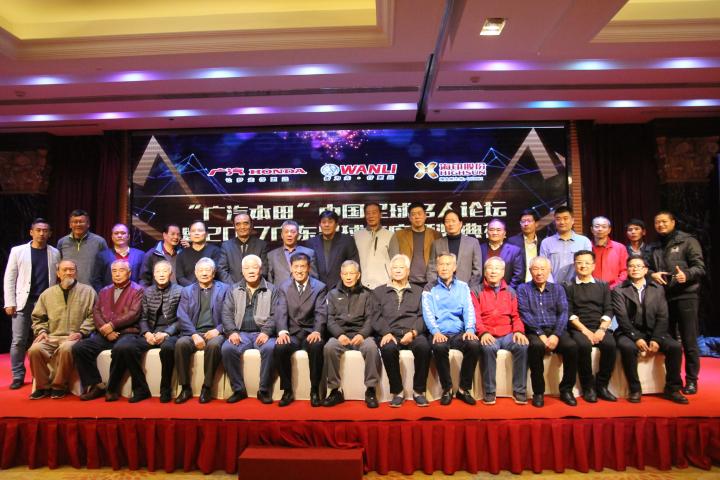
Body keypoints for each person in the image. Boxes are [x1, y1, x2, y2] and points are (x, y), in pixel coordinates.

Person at [613, 256, 688, 404]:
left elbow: (663, 316)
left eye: (639, 266)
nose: (635, 269)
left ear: (646, 270)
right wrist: (636, 337)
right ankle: (635, 389)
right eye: (631, 266)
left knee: (675, 347)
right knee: (627, 348)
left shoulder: (657, 288)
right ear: (627, 270)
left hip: (654, 331)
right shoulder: (619, 290)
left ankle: (673, 389)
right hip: (628, 332)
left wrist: (656, 338)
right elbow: (622, 318)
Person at [649, 211, 705, 395]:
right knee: (669, 342)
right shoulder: (654, 245)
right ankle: (673, 380)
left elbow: (700, 267)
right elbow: (645, 267)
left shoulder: (688, 241)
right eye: (657, 222)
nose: (661, 225)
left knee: (689, 340)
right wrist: (652, 274)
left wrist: (686, 275)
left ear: (673, 222)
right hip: (663, 298)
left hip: (686, 296)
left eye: (664, 221)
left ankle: (691, 380)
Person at [72, 260, 145, 402]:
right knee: (80, 348)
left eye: (121, 270)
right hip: (105, 333)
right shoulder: (104, 290)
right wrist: (106, 330)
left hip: (127, 332)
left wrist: (112, 325)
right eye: (114, 271)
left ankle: (112, 388)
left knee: (121, 348)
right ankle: (96, 385)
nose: (117, 274)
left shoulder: (138, 290)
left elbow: (134, 313)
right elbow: (96, 312)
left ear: (129, 273)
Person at [4, 218, 60, 389]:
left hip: (45, 303)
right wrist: (9, 302)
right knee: (18, 340)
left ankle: (41, 376)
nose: (42, 233)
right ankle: (18, 376)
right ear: (31, 232)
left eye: (45, 231)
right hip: (23, 302)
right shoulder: (18, 251)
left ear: (49, 234)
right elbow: (10, 278)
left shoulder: (54, 252)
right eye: (38, 230)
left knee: (42, 340)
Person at [27, 260, 96, 399]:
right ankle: (42, 387)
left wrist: (81, 332)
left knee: (67, 348)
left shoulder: (88, 291)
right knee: (34, 350)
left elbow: (93, 316)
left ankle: (58, 386)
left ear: (76, 273)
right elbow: (38, 317)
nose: (68, 273)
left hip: (75, 337)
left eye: (71, 270)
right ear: (58, 273)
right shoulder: (47, 294)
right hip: (51, 336)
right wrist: (42, 331)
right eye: (64, 270)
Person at [517, 256, 578, 407]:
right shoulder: (523, 289)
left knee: (571, 347)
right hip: (534, 330)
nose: (539, 273)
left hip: (556, 329)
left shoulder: (558, 289)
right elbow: (525, 313)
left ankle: (566, 390)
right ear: (530, 271)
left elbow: (563, 312)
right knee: (536, 347)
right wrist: (541, 334)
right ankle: (538, 392)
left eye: (543, 269)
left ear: (549, 270)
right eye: (535, 269)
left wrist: (556, 335)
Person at [421, 252, 480, 405]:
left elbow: (469, 309)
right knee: (439, 347)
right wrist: (436, 332)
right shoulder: (429, 287)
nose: (444, 268)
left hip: (459, 332)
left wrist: (470, 329)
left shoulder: (463, 287)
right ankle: (447, 389)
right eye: (441, 264)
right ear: (437, 267)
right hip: (439, 332)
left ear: (454, 267)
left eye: (448, 264)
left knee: (474, 344)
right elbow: (427, 313)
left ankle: (463, 389)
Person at [374, 254, 430, 407]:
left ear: (408, 271)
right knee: (388, 349)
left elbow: (424, 316)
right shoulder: (378, 292)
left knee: (424, 347)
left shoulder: (419, 291)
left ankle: (418, 391)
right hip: (389, 333)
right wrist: (386, 332)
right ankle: (397, 392)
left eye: (401, 267)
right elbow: (375, 316)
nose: (397, 270)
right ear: (390, 271)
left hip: (412, 332)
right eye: (394, 268)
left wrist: (413, 332)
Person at [323, 260, 381, 408]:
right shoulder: (332, 294)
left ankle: (371, 390)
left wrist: (362, 334)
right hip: (340, 335)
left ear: (358, 275)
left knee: (371, 348)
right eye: (345, 273)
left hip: (361, 335)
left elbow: (371, 318)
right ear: (341, 275)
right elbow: (329, 319)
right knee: (329, 347)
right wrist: (339, 334)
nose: (348, 277)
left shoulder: (367, 294)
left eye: (352, 273)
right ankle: (335, 391)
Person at [273, 252, 327, 407]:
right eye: (296, 266)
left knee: (317, 346)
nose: (299, 270)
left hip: (311, 332)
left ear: (308, 268)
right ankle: (287, 391)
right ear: (291, 268)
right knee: (280, 347)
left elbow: (321, 312)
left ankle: (314, 390)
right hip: (292, 333)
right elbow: (281, 311)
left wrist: (317, 331)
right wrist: (282, 331)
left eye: (302, 266)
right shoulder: (283, 287)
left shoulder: (319, 287)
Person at [221, 255, 277, 404]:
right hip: (241, 333)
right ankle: (238, 390)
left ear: (261, 269)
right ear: (242, 271)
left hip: (263, 333)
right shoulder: (233, 289)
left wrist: (266, 332)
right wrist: (232, 332)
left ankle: (264, 390)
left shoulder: (272, 289)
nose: (251, 271)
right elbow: (226, 313)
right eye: (247, 268)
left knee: (271, 348)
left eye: (254, 267)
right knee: (227, 348)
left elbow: (276, 314)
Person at [473, 257, 528, 405]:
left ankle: (520, 390)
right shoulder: (476, 291)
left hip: (508, 333)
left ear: (503, 272)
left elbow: (516, 316)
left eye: (497, 268)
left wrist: (518, 331)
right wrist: (483, 333)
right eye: (490, 268)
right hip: (488, 333)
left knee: (522, 345)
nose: (493, 271)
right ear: (485, 271)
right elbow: (475, 317)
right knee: (488, 348)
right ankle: (490, 391)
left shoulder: (511, 291)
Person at [563, 250, 617, 403]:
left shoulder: (603, 285)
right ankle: (588, 387)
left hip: (599, 326)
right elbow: (569, 312)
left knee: (610, 345)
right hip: (578, 327)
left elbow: (609, 309)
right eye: (579, 263)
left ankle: (602, 385)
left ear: (593, 266)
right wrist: (586, 331)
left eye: (587, 263)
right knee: (583, 345)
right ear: (574, 265)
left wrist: (601, 329)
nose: (583, 266)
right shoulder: (568, 286)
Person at [174, 257, 229, 404]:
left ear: (214, 273)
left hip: (215, 332)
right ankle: (185, 388)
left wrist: (218, 330)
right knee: (180, 344)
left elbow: (230, 314)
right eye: (201, 270)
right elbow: (182, 315)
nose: (204, 273)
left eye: (207, 270)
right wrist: (193, 335)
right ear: (195, 273)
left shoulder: (225, 289)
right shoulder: (187, 291)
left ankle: (207, 387)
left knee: (214, 345)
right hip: (193, 332)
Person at [139, 260, 183, 403]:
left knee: (167, 349)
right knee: (127, 347)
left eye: (165, 271)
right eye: (158, 271)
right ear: (154, 275)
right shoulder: (147, 291)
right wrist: (147, 333)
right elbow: (143, 318)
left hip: (171, 332)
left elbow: (182, 319)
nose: (161, 274)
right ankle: (140, 388)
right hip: (151, 331)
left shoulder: (180, 291)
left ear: (171, 274)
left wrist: (166, 333)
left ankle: (165, 388)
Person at [389, 202, 441, 288]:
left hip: (431, 282)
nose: (417, 217)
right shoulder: (399, 235)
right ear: (409, 217)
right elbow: (394, 259)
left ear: (425, 216)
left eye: (419, 213)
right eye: (413, 214)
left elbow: (440, 259)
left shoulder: (436, 235)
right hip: (406, 282)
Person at [304, 210, 359, 289]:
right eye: (323, 222)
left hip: (341, 288)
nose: (327, 225)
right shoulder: (311, 243)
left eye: (330, 222)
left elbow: (354, 265)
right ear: (320, 224)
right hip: (317, 289)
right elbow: (308, 267)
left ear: (336, 224)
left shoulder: (347, 241)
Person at [426, 209, 482, 285]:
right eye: (447, 221)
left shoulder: (473, 243)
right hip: (441, 288)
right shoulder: (436, 244)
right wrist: (436, 287)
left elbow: (477, 270)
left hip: (466, 288)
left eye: (453, 221)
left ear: (460, 223)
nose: (450, 224)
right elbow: (431, 269)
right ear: (444, 224)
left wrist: (469, 288)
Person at [539, 206, 592, 284]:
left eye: (565, 218)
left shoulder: (584, 241)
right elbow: (543, 267)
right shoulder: (546, 243)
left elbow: (588, 266)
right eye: (558, 219)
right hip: (554, 287)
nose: (562, 222)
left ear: (573, 220)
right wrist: (552, 286)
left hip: (578, 287)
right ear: (554, 222)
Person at [56, 209, 108, 285]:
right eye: (75, 222)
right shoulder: (62, 242)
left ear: (88, 224)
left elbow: (106, 267)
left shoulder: (99, 242)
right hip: (68, 287)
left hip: (92, 288)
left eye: (81, 222)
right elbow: (58, 266)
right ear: (70, 225)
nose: (78, 224)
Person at [218, 212, 269, 284]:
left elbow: (264, 270)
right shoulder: (226, 246)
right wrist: (233, 287)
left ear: (251, 225)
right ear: (234, 226)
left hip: (255, 287)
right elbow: (222, 270)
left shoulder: (261, 245)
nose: (242, 227)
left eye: (245, 223)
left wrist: (252, 285)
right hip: (232, 288)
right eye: (238, 224)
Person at [92, 223, 145, 291]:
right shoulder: (102, 256)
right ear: (112, 237)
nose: (119, 236)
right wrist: (103, 294)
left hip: (134, 294)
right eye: (116, 233)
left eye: (123, 233)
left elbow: (144, 279)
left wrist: (140, 292)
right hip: (110, 295)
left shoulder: (140, 255)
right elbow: (96, 280)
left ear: (128, 236)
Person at [266, 220, 317, 286]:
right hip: (279, 291)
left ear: (298, 235)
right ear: (282, 235)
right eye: (286, 232)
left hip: (303, 291)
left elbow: (314, 278)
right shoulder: (272, 255)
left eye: (293, 232)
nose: (289, 234)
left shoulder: (309, 253)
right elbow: (270, 280)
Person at [354, 203, 392, 289]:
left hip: (384, 283)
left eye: (374, 212)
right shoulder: (357, 236)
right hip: (362, 284)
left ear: (380, 215)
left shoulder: (390, 235)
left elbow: (394, 261)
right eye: (368, 213)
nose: (371, 216)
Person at [479, 218, 524, 289]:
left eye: (498, 230)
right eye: (491, 230)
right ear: (487, 232)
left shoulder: (514, 251)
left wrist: (507, 290)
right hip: (483, 291)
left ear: (504, 233)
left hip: (506, 291)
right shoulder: (479, 248)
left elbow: (518, 276)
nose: (495, 233)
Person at [175, 221, 222, 286]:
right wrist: (193, 288)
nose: (196, 233)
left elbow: (217, 273)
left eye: (200, 230)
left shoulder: (215, 251)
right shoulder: (182, 254)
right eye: (193, 231)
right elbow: (180, 277)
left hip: (211, 289)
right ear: (189, 234)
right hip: (188, 290)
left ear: (206, 234)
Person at [507, 209, 544, 283]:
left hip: (539, 284)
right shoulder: (512, 242)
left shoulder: (543, 243)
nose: (526, 224)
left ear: (536, 223)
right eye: (523, 221)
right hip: (519, 285)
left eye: (529, 221)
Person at [590, 216, 627, 289]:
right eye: (597, 226)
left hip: (615, 289)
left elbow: (624, 271)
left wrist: (615, 286)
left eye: (604, 227)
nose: (600, 229)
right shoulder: (587, 247)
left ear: (609, 230)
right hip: (591, 289)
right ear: (592, 229)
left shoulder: (620, 248)